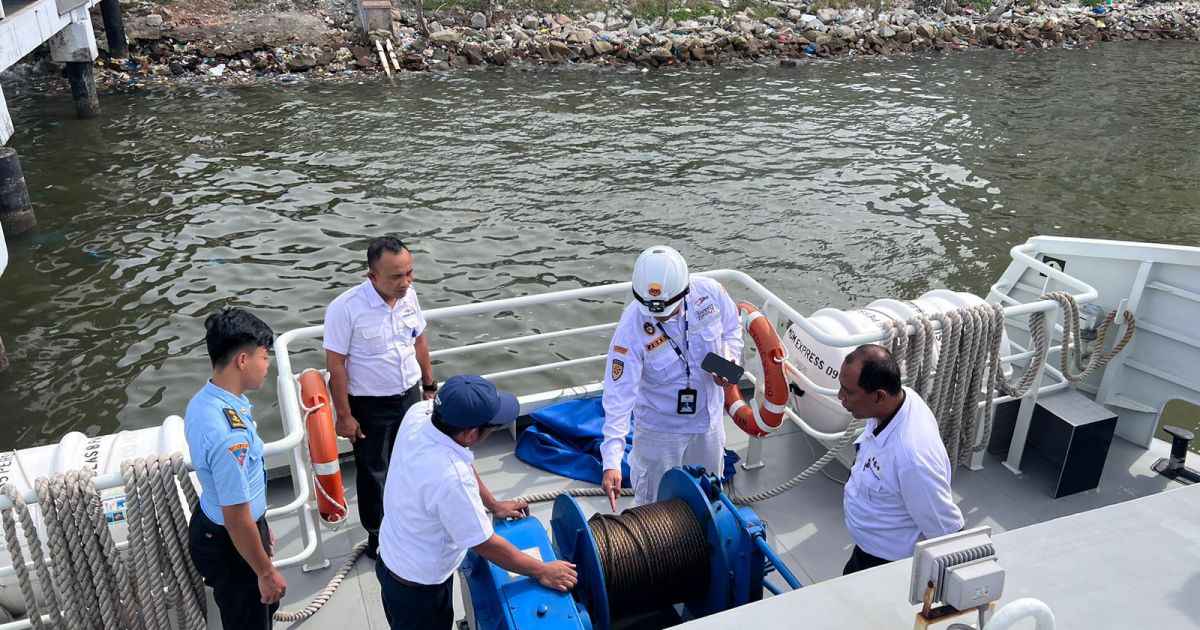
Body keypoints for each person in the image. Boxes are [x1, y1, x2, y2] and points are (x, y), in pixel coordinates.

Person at [376, 374, 578, 629]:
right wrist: (543, 570)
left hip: (392, 556)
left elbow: (461, 458)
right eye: (491, 426)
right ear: (471, 433)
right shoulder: (450, 478)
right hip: (417, 590)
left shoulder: (420, 414)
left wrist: (493, 504)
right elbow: (485, 544)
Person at [600, 245, 744, 510]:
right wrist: (611, 461)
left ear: (685, 291)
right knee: (654, 507)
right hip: (660, 433)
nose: (660, 315)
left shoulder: (711, 293)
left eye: (668, 310)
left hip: (708, 425)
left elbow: (733, 329)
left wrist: (730, 361)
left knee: (708, 497)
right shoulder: (631, 327)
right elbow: (618, 396)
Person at [323, 236, 437, 558]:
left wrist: (429, 386)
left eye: (409, 273)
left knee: (414, 461)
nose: (406, 282)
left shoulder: (410, 297)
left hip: (410, 397)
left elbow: (419, 343)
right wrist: (344, 415)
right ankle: (378, 537)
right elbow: (336, 364)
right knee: (374, 471)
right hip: (370, 404)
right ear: (371, 276)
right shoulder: (345, 309)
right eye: (396, 276)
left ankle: (413, 523)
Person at [185, 308, 286, 629]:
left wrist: (260, 524)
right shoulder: (228, 435)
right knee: (249, 619)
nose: (267, 365)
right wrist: (266, 573)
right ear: (242, 360)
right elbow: (235, 517)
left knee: (259, 614)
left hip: (233, 528)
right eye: (263, 357)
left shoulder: (208, 401)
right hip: (230, 542)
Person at [838, 344, 965, 575]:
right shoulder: (897, 402)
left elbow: (946, 532)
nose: (840, 397)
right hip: (865, 551)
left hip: (884, 566)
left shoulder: (912, 458)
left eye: (848, 392)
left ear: (878, 396)